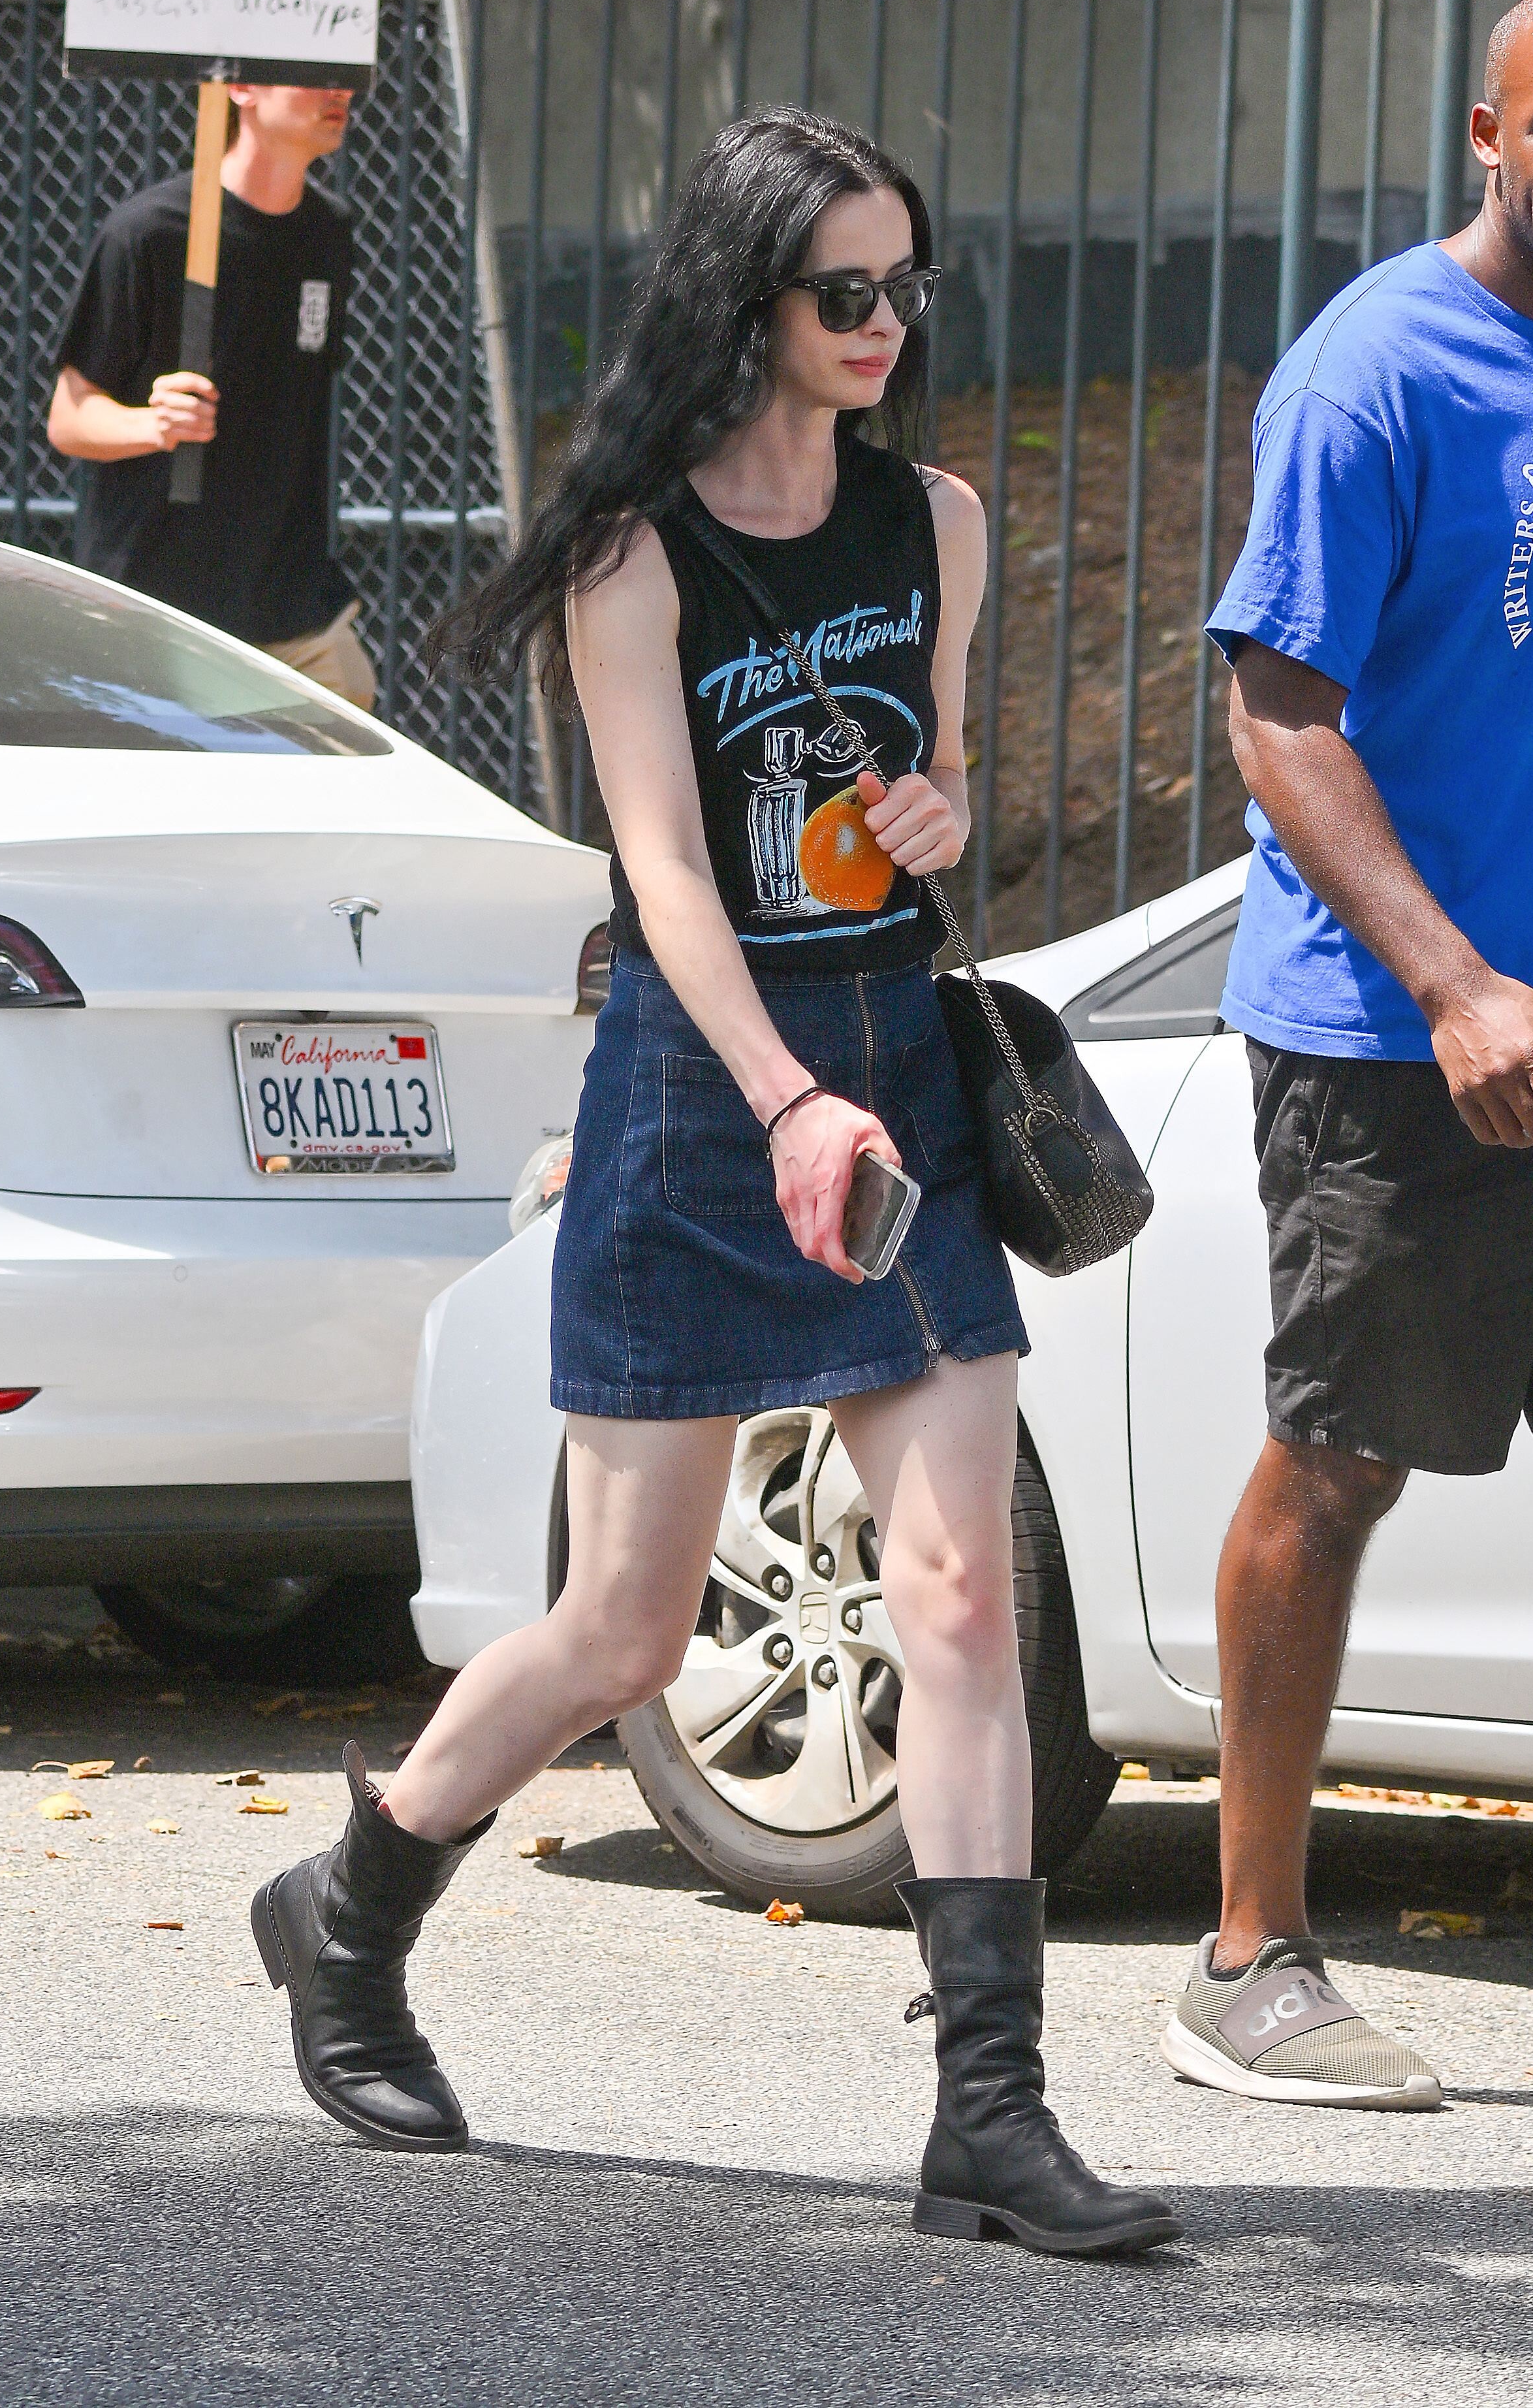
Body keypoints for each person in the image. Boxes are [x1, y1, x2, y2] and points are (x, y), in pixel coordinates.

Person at [249, 110, 1180, 2259]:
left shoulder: (935, 522)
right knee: (623, 1625)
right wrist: (777, 1102)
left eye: (905, 284)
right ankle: (351, 1905)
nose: (886, 323)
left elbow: (929, 779)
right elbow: (664, 868)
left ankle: (988, 2112)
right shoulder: (633, 552)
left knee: (959, 1593)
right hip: (701, 1095)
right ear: (747, 297)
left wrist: (937, 817)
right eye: (846, 288)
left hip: (898, 1082)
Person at [1164, 0, 1533, 2111]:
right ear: (1489, 128)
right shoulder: (1376, 368)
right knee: (1341, 1461)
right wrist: (1455, 982)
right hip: (1399, 1037)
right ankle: (1247, 1953)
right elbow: (1277, 712)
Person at [46, 84, 375, 711]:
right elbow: (69, 417)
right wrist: (153, 424)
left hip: (289, 603)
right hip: (158, 602)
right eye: (310, 71)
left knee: (349, 711)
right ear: (242, 87)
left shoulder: (328, 231)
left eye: (342, 72)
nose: (339, 90)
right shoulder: (148, 232)